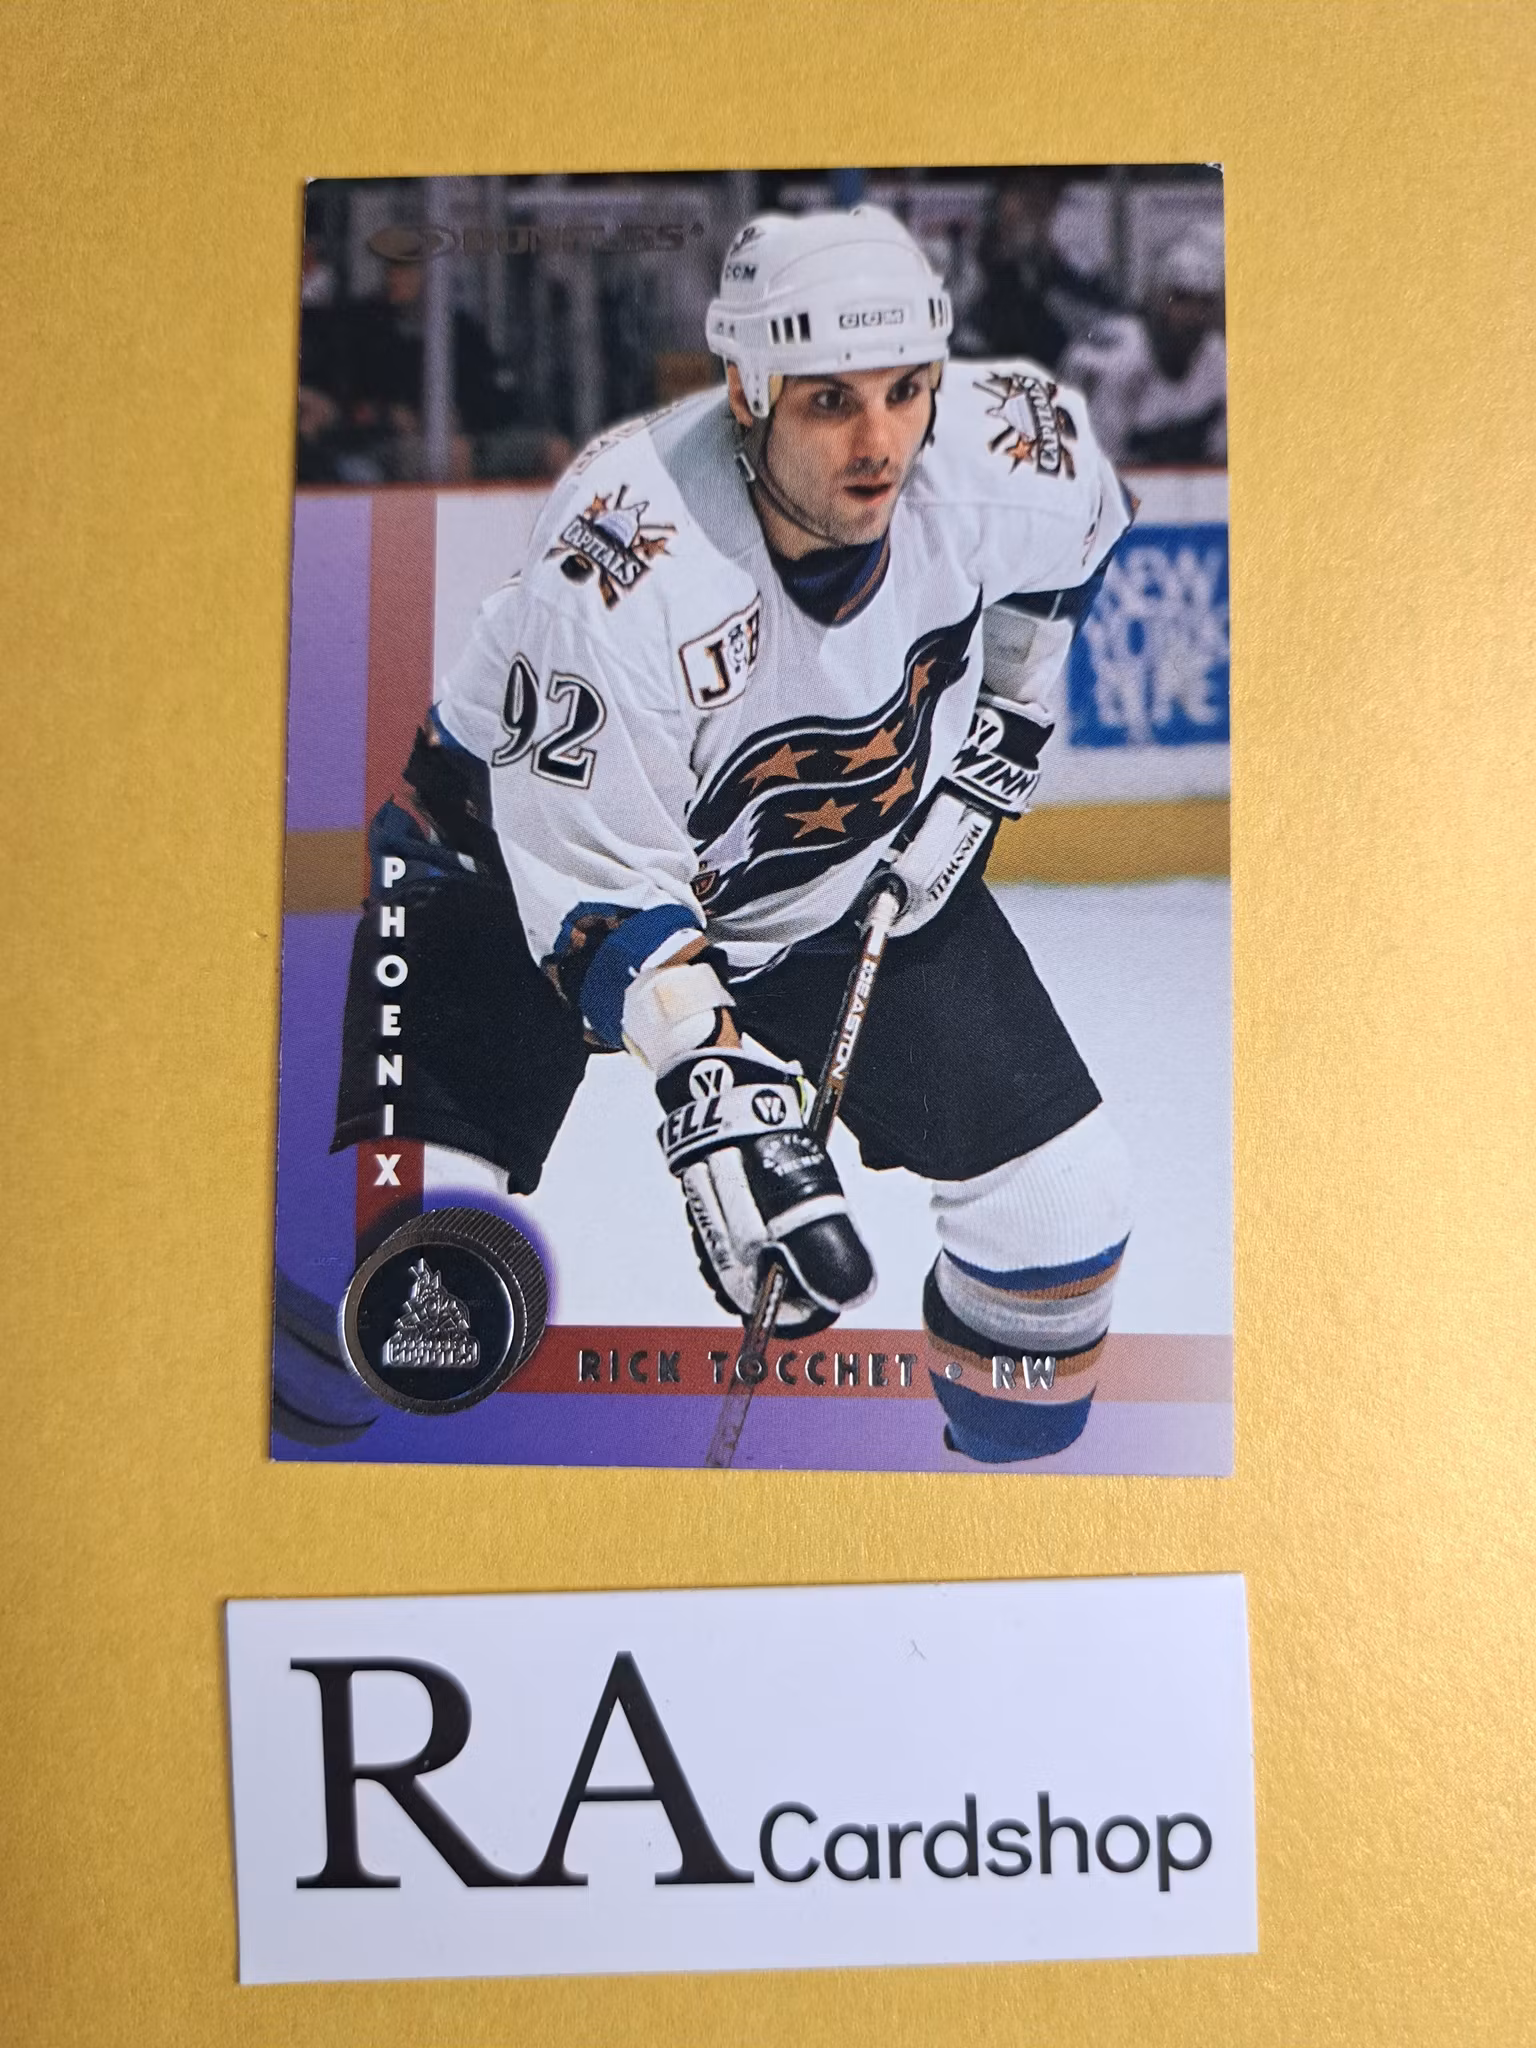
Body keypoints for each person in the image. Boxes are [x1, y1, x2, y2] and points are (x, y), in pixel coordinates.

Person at [365, 208, 1138, 1463]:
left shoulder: (1003, 454)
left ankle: (993, 1520)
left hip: (816, 883)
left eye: (904, 392)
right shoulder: (624, 562)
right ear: (749, 390)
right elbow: (596, 878)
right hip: (505, 866)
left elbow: (1079, 531)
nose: (880, 444)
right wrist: (713, 1090)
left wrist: (1007, 723)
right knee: (407, 1296)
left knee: (1061, 1208)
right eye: (831, 401)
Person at [1061, 221, 1227, 466]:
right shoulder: (1119, 357)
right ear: (1157, 299)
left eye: (1203, 303)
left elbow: (1219, 463)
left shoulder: (1219, 360)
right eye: (1181, 299)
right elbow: (1088, 462)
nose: (1192, 315)